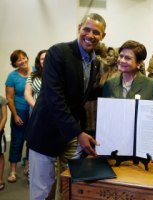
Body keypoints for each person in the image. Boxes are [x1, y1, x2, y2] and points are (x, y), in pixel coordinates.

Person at [26, 13, 106, 200]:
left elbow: (80, 99)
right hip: (46, 133)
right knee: (42, 191)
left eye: (96, 32)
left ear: (103, 36)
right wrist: (78, 133)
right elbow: (55, 99)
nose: (90, 35)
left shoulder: (94, 62)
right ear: (79, 28)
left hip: (70, 137)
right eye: (86, 29)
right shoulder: (58, 52)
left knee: (70, 187)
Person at [5, 49, 32, 183]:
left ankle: (28, 167)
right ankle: (13, 171)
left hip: (34, 111)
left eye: (24, 58)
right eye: (19, 60)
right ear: (15, 64)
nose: (23, 61)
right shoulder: (12, 77)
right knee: (17, 141)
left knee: (32, 140)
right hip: (19, 111)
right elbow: (9, 98)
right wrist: (15, 115)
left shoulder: (35, 71)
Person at [23, 49, 47, 177]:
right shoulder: (33, 75)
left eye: (47, 58)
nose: (45, 60)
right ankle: (31, 171)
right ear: (39, 61)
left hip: (52, 115)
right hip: (37, 113)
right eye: (42, 58)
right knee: (34, 142)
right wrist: (38, 107)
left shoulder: (57, 74)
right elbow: (27, 94)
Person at [0, 95, 8, 190]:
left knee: (0, 155)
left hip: (0, 133)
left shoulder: (1, 100)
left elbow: (4, 117)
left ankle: (0, 179)